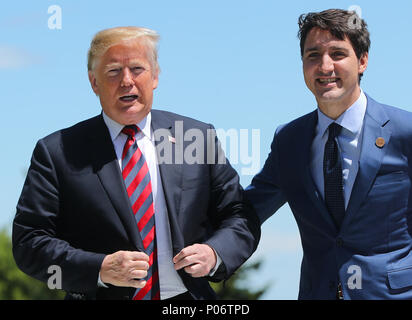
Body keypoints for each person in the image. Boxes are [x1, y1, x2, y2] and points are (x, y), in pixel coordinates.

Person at [12, 26, 260, 300]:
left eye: (138, 69)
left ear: (155, 76)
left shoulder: (196, 138)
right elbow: (29, 242)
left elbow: (240, 215)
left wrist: (215, 253)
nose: (127, 81)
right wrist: (99, 269)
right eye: (113, 71)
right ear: (94, 82)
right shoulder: (57, 152)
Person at [245, 9, 412, 299]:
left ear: (362, 61)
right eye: (313, 55)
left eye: (337, 54)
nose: (325, 66)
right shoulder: (289, 141)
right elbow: (246, 210)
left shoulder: (405, 132)